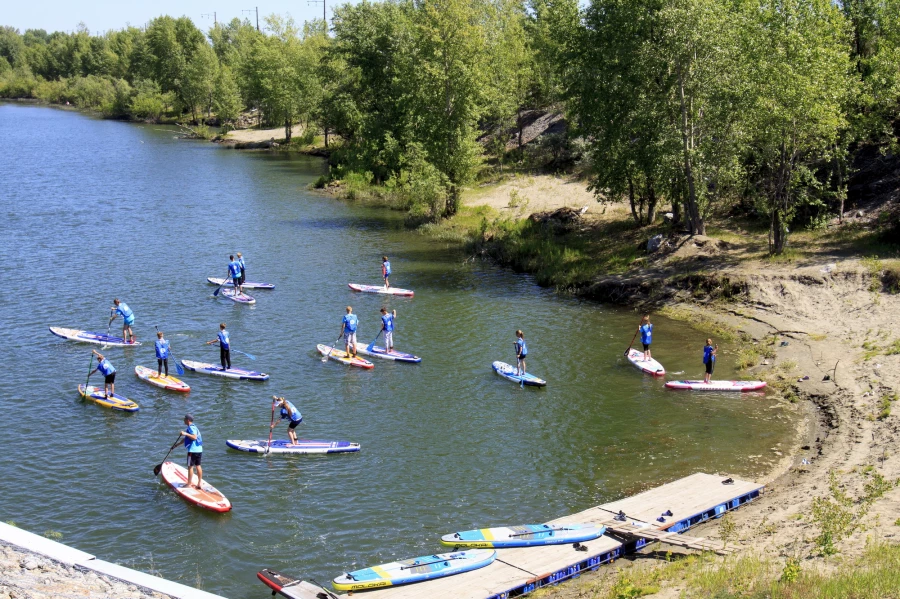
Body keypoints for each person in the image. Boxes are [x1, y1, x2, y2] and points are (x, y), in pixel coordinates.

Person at [179, 414, 203, 489]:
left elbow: (194, 437)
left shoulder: (190, 428)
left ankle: (189, 484)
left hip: (192, 451)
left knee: (190, 467)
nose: (183, 420)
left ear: (188, 420)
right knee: (198, 466)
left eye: (184, 419)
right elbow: (186, 439)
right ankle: (199, 483)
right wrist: (176, 445)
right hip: (199, 450)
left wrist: (185, 433)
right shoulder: (195, 427)